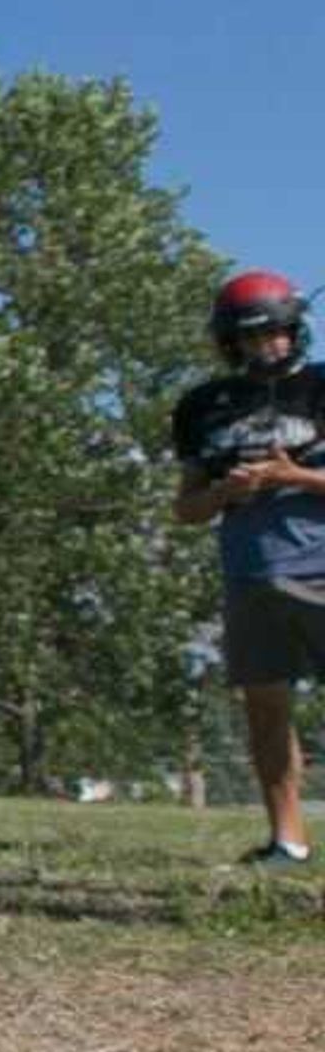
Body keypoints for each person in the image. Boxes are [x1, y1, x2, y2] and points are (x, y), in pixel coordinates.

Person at [170, 270, 325, 869]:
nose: (269, 347)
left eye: (278, 334)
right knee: (266, 709)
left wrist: (293, 477)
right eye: (253, 337)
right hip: (251, 575)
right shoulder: (202, 406)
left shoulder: (319, 386)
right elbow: (185, 507)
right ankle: (287, 841)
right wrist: (224, 494)